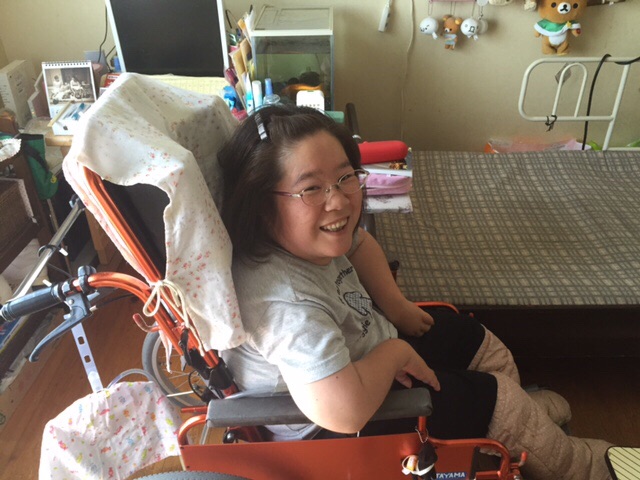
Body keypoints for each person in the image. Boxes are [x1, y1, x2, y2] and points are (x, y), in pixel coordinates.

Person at [217, 104, 612, 480]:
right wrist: (395, 353)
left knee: (474, 341)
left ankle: (522, 426)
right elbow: (345, 413)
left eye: (345, 177)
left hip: (365, 354)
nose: (338, 201)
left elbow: (359, 243)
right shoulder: (286, 305)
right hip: (338, 425)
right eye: (311, 188)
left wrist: (397, 306)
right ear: (261, 204)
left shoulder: (300, 237)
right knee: (497, 399)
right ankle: (578, 463)